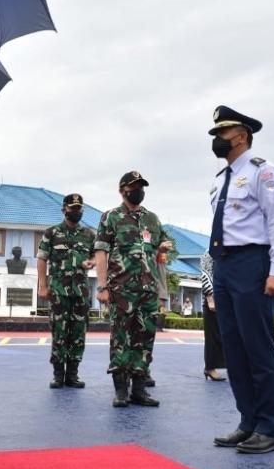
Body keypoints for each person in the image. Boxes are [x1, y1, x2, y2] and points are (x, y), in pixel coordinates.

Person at [207, 105, 274, 455]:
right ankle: (248, 422)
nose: (217, 140)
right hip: (225, 265)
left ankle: (269, 428)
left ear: (241, 136)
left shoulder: (263, 172)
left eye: (222, 134)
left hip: (252, 263)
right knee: (234, 347)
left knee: (258, 347)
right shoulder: (220, 179)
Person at [94, 171, 173, 408]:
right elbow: (101, 252)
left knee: (145, 337)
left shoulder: (152, 219)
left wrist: (164, 248)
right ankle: (121, 391)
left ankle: (139, 389)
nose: (138, 190)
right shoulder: (111, 217)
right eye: (134, 187)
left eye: (141, 186)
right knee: (120, 338)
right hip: (121, 289)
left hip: (147, 289)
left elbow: (163, 247)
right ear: (122, 190)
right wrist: (102, 286)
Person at [37, 194, 96, 389]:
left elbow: (99, 255)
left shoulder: (89, 235)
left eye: (79, 209)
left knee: (78, 333)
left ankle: (73, 374)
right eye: (73, 208)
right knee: (59, 332)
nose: (76, 212)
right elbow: (42, 259)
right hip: (58, 291)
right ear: (64, 209)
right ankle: (58, 374)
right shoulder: (52, 233)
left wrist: (92, 262)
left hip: (80, 293)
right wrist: (43, 286)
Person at [199, 251, 226, 382]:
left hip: (228, 299)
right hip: (214, 299)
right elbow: (205, 274)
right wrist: (210, 297)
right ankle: (210, 367)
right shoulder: (208, 253)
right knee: (213, 336)